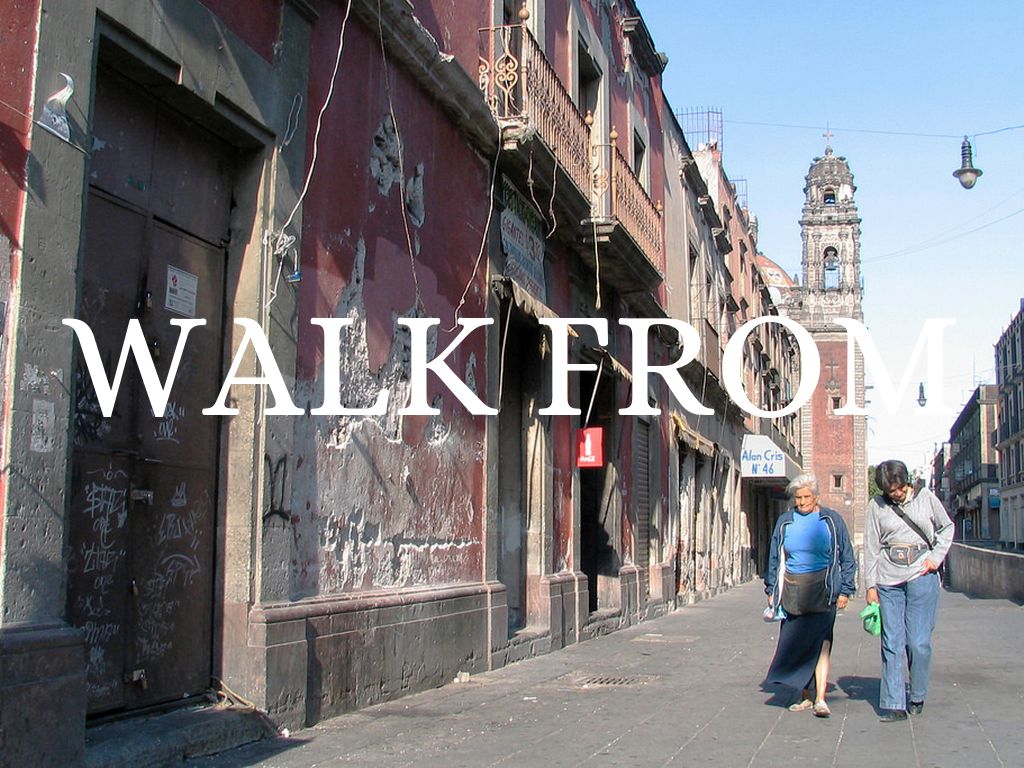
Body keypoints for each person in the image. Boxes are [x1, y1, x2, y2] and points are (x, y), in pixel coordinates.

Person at [864, 459, 954, 722]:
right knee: (891, 642)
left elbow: (947, 528)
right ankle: (894, 703)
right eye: (890, 491)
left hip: (921, 575)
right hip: (888, 578)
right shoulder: (876, 506)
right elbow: (871, 546)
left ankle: (917, 694)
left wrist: (935, 558)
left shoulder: (926, 498)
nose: (897, 494)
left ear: (907, 482)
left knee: (918, 642)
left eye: (900, 488)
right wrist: (870, 585)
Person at [764, 473, 857, 718]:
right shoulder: (785, 521)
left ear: (816, 496)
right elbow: (774, 556)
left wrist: (846, 590)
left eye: (806, 497)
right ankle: (806, 695)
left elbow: (847, 556)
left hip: (824, 589)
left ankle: (821, 698)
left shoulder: (831, 520)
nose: (802, 502)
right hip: (793, 590)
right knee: (798, 643)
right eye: (798, 498)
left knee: (822, 642)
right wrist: (771, 589)